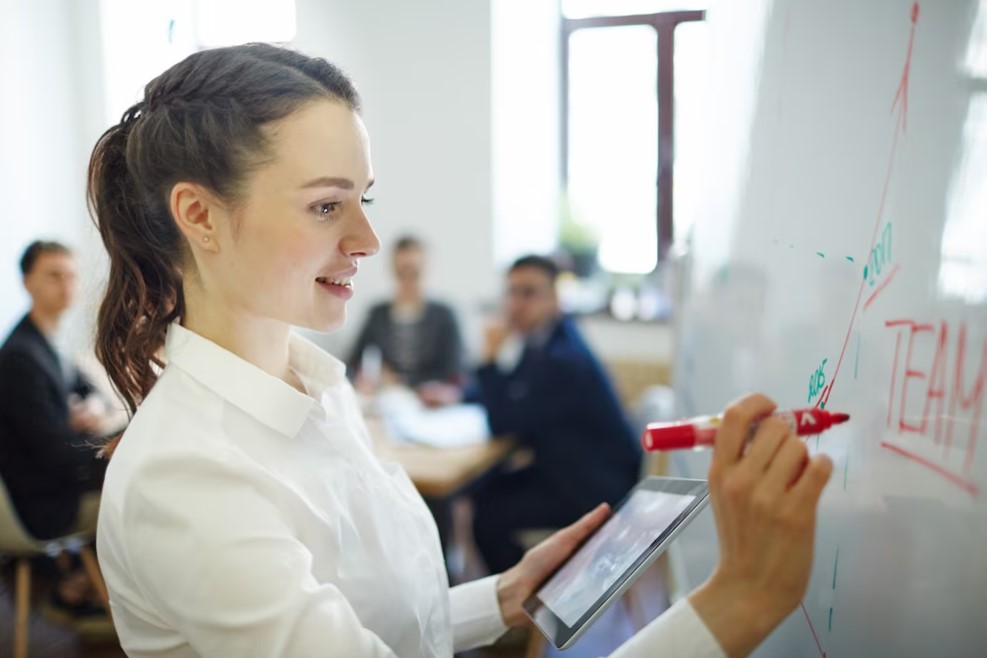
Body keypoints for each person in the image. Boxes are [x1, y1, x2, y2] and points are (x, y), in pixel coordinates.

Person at [88, 43, 833, 658]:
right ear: (199, 215)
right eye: (325, 205)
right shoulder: (184, 475)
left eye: (362, 200)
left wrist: (500, 597)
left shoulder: (320, 390)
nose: (367, 242)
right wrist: (736, 604)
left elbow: (372, 620)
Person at [470, 255, 643, 573]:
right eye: (511, 293)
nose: (516, 304)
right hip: (571, 470)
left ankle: (517, 607)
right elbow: (515, 391)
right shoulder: (548, 339)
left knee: (488, 513)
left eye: (529, 293)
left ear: (554, 300)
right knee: (482, 486)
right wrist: (461, 393)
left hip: (593, 488)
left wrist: (489, 359)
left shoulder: (563, 359)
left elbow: (503, 422)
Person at [0, 240, 109, 541]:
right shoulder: (21, 357)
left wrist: (95, 407)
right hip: (44, 505)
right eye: (54, 276)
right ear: (27, 282)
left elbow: (88, 389)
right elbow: (56, 454)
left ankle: (79, 579)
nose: (66, 285)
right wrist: (115, 445)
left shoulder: (49, 343)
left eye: (72, 276)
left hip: (58, 482)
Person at [348, 236, 464, 406]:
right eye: (402, 272)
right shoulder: (377, 314)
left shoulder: (445, 315)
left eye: (414, 272)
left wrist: (401, 381)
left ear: (426, 269)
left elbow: (455, 372)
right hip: (388, 399)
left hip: (430, 403)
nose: (408, 280)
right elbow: (353, 362)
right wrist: (363, 380)